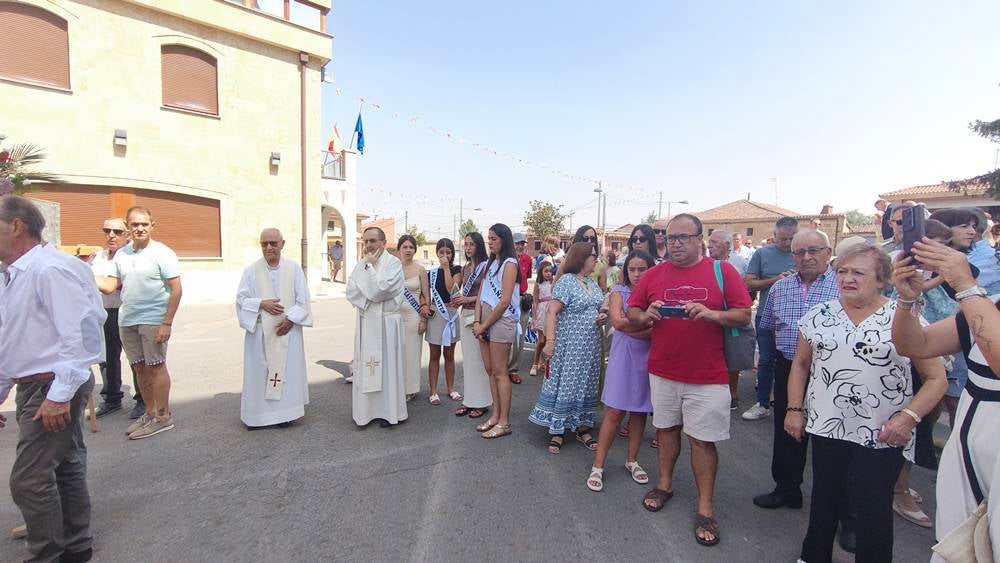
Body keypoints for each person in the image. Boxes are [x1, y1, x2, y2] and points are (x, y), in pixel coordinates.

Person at [784, 243, 946, 563]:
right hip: (827, 425)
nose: (847, 278)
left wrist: (908, 418)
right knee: (824, 499)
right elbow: (801, 365)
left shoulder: (904, 316)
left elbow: (936, 379)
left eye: (858, 272)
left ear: (882, 279)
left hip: (882, 431)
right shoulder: (819, 315)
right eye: (842, 271)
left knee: (872, 508)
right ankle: (813, 556)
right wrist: (793, 409)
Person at [628, 213, 752, 547]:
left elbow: (744, 313)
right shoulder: (654, 274)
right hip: (663, 371)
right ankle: (665, 484)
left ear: (701, 239)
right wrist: (647, 314)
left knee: (702, 441)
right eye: (670, 239)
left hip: (709, 376)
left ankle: (705, 507)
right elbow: (633, 312)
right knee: (666, 431)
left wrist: (712, 314)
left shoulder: (722, 271)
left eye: (684, 238)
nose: (676, 244)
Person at [0, 195, 105, 563]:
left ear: (15, 226)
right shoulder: (14, 274)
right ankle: (76, 545)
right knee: (66, 466)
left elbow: (79, 335)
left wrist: (59, 395)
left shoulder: (48, 269)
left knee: (28, 480)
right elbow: (13, 339)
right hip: (37, 385)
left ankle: (48, 554)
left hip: (53, 384)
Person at [891, 237, 1000, 561]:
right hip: (969, 448)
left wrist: (965, 284)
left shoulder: (977, 300)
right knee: (960, 545)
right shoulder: (989, 305)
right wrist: (907, 301)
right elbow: (916, 345)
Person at [751, 229, 839, 511]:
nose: (807, 257)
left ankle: (838, 508)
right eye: (800, 252)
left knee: (832, 441)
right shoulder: (780, 288)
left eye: (814, 250)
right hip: (789, 367)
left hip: (833, 373)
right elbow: (767, 328)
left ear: (828, 252)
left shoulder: (842, 286)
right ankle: (786, 490)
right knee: (789, 432)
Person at [96, 206, 182, 440]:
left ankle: (164, 417)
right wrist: (81, 273)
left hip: (153, 319)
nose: (140, 228)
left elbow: (176, 290)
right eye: (134, 224)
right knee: (140, 368)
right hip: (127, 319)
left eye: (144, 224)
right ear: (128, 227)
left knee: (156, 367)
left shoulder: (163, 253)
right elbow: (110, 286)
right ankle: (151, 412)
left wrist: (167, 323)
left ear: (152, 225)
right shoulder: (123, 254)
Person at [586, 250, 655, 491]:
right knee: (614, 412)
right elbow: (617, 322)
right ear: (625, 271)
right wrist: (642, 325)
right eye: (632, 269)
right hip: (623, 357)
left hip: (647, 358)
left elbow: (655, 330)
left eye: (642, 269)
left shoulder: (654, 295)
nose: (636, 274)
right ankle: (598, 465)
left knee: (639, 412)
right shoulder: (619, 292)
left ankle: (632, 460)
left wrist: (630, 327)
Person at [531, 243, 608, 452]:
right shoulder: (566, 281)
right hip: (569, 347)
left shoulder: (592, 282)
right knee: (566, 382)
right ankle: (557, 430)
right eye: (594, 256)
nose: (596, 260)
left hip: (590, 345)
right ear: (582, 258)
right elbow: (551, 312)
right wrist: (550, 342)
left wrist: (602, 315)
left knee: (587, 383)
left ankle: (582, 426)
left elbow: (598, 307)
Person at [235, 228, 312, 428]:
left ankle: (285, 415)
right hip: (260, 333)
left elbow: (303, 300)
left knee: (286, 373)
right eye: (264, 244)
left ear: (282, 244)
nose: (268, 247)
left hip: (287, 331)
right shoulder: (251, 271)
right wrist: (261, 303)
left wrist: (291, 321)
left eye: (273, 243)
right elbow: (241, 299)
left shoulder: (294, 269)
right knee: (259, 374)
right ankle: (257, 417)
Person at [346, 227, 408, 428]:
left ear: (383, 242)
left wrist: (370, 272)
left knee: (387, 370)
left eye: (373, 241)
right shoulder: (361, 264)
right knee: (368, 367)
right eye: (365, 241)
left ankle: (389, 414)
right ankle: (367, 413)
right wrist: (369, 297)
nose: (369, 245)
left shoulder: (394, 263)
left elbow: (382, 290)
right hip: (367, 322)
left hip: (387, 324)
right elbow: (351, 291)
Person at [742, 216, 798, 421]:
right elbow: (750, 283)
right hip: (768, 315)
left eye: (792, 238)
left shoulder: (803, 254)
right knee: (766, 360)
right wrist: (776, 280)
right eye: (783, 239)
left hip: (798, 319)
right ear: (775, 236)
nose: (787, 243)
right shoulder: (762, 253)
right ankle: (763, 403)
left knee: (797, 362)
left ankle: (794, 405)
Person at [91, 217, 144, 418]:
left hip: (127, 311)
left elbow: (114, 285)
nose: (111, 235)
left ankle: (142, 400)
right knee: (106, 358)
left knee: (136, 357)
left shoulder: (132, 255)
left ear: (127, 235)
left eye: (117, 231)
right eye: (107, 230)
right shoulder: (99, 258)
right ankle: (112, 397)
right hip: (104, 312)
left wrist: (86, 275)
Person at [472, 223, 521, 439]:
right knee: (490, 370)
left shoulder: (510, 264)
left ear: (504, 240)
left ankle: (504, 422)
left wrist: (483, 325)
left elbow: (505, 302)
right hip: (484, 319)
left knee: (501, 373)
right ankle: (495, 415)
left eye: (493, 238)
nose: (490, 242)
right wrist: (476, 320)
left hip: (501, 320)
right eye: (488, 238)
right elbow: (481, 294)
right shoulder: (490, 263)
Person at [707, 230, 748, 410]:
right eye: (709, 242)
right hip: (710, 315)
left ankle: (732, 393)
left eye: (714, 242)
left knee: (733, 354)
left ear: (727, 244)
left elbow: (746, 287)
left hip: (731, 313)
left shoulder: (738, 262)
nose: (710, 245)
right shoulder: (706, 263)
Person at [452, 232, 492, 419]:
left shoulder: (486, 267)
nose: (468, 248)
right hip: (465, 314)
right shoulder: (466, 267)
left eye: (471, 244)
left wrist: (467, 298)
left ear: (479, 246)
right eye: (465, 244)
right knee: (468, 361)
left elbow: (489, 294)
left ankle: (482, 402)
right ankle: (469, 400)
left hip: (479, 316)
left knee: (478, 361)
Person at [426, 238, 463, 405]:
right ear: (437, 253)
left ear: (452, 254)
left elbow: (451, 290)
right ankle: (433, 391)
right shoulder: (431, 273)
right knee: (434, 354)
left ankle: (450, 388)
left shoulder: (457, 270)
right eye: (442, 252)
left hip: (451, 314)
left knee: (449, 354)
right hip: (436, 314)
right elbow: (425, 295)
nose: (445, 255)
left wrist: (447, 268)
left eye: (448, 252)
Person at [397, 235, 429, 402]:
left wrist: (424, 319)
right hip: (395, 317)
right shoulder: (393, 268)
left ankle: (410, 389)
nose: (408, 250)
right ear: (399, 249)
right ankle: (397, 386)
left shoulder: (420, 269)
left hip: (413, 317)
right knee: (397, 353)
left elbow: (426, 295)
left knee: (411, 353)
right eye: (405, 247)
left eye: (411, 247)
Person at [505, 233, 533, 384]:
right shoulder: (506, 260)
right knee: (503, 336)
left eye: (522, 243)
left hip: (521, 300)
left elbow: (526, 277)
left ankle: (513, 369)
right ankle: (501, 369)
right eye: (517, 243)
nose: (520, 246)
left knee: (519, 338)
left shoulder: (528, 260)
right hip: (506, 301)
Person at [529, 261, 554, 376]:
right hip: (541, 312)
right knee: (541, 340)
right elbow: (535, 301)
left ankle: (544, 363)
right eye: (546, 271)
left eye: (550, 271)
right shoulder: (538, 284)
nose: (548, 273)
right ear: (541, 272)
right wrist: (534, 317)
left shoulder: (553, 283)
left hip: (551, 313)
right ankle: (535, 363)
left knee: (550, 340)